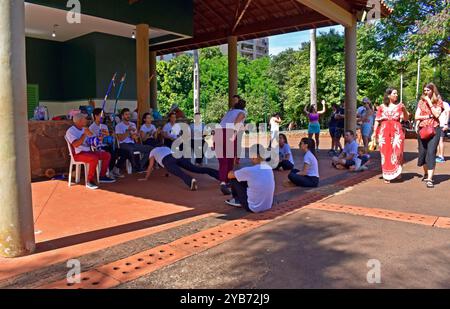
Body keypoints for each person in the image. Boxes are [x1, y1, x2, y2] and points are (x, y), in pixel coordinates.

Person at [65, 113, 115, 189]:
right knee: (93, 158)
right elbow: (76, 145)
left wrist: (99, 138)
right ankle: (89, 181)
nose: (86, 120)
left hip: (88, 152)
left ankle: (102, 176)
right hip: (78, 154)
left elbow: (92, 142)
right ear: (79, 121)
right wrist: (84, 135)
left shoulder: (85, 129)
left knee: (106, 155)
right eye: (84, 119)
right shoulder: (71, 131)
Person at [139, 145, 220, 191]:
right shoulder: (165, 147)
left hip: (167, 161)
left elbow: (150, 166)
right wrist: (167, 173)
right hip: (176, 156)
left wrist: (146, 178)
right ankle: (220, 175)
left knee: (180, 173)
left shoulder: (152, 152)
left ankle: (191, 180)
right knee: (196, 168)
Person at [372, 88, 409, 184]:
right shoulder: (381, 107)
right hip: (384, 132)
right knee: (385, 153)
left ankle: (397, 172)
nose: (396, 95)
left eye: (397, 93)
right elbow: (377, 120)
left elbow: (406, 118)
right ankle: (387, 175)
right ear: (389, 95)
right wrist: (374, 132)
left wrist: (404, 110)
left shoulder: (400, 106)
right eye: (394, 93)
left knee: (398, 152)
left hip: (397, 131)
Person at [225, 144, 275, 213]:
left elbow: (229, 175)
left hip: (253, 207)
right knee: (246, 179)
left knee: (234, 179)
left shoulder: (250, 170)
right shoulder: (269, 168)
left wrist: (234, 165)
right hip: (267, 205)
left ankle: (237, 200)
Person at [415, 83, 444, 188]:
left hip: (434, 129)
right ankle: (426, 173)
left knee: (431, 152)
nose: (426, 92)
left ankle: (430, 179)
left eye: (428, 90)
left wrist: (429, 103)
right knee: (423, 153)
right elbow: (416, 116)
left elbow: (437, 114)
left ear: (433, 90)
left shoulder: (438, 101)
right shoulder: (421, 102)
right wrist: (428, 115)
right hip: (422, 130)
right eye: (424, 90)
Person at [215, 99, 247, 195]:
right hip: (229, 133)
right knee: (229, 159)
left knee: (223, 160)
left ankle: (223, 181)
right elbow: (236, 123)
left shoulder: (229, 112)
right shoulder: (242, 112)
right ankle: (226, 181)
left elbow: (221, 123)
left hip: (219, 133)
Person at [89, 108, 125, 179]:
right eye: (101, 115)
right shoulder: (91, 128)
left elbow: (108, 140)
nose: (103, 117)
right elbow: (93, 142)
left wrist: (110, 136)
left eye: (104, 116)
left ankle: (115, 169)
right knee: (112, 153)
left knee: (124, 152)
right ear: (96, 116)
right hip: (99, 148)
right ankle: (109, 171)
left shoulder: (104, 126)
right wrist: (99, 138)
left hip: (107, 145)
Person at [115, 108, 152, 173]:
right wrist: (128, 131)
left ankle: (140, 166)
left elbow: (135, 138)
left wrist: (136, 136)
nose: (128, 116)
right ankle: (136, 168)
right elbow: (120, 138)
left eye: (129, 114)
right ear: (122, 116)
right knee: (130, 149)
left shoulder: (133, 124)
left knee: (150, 149)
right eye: (126, 114)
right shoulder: (119, 126)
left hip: (133, 144)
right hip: (123, 144)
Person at [436, 99, 450, 163]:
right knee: (438, 141)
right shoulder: (435, 104)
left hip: (442, 124)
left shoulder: (445, 104)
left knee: (440, 140)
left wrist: (446, 124)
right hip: (436, 125)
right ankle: (439, 155)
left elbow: (448, 114)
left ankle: (441, 157)